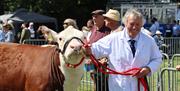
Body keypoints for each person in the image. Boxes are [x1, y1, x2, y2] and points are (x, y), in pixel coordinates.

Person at [84, 9, 162, 91]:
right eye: (131, 24)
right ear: (125, 23)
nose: (134, 27)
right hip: (118, 86)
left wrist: (148, 69)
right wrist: (87, 49)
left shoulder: (149, 41)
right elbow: (95, 49)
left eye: (138, 24)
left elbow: (157, 58)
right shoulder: (113, 39)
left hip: (140, 86)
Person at [86, 9, 111, 91]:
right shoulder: (93, 29)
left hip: (104, 66)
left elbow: (111, 47)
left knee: (105, 87)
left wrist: (106, 59)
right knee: (96, 85)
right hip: (92, 64)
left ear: (103, 18)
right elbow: (88, 42)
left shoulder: (108, 30)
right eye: (93, 17)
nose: (94, 19)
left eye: (96, 17)